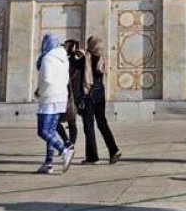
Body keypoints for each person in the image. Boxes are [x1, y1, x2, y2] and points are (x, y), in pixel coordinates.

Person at [35, 33, 75, 175]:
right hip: (60, 97)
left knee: (43, 131)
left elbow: (47, 80)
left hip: (48, 98)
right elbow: (65, 79)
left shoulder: (47, 58)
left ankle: (64, 150)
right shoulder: (63, 59)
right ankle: (48, 163)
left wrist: (39, 91)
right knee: (51, 131)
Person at [79, 35, 122, 165]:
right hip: (100, 93)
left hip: (89, 94)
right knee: (102, 123)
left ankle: (92, 157)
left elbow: (78, 70)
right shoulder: (102, 58)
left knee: (89, 125)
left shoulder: (86, 58)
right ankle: (114, 150)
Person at [56, 40, 82, 149]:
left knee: (70, 121)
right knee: (58, 121)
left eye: (66, 47)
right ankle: (69, 142)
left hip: (71, 96)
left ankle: (69, 143)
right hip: (65, 95)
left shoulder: (74, 62)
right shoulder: (63, 61)